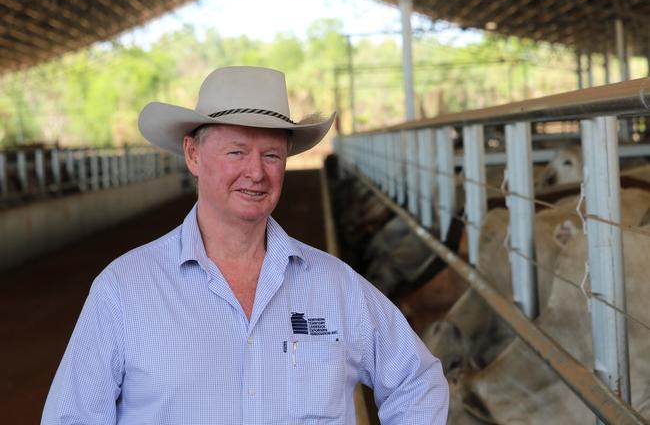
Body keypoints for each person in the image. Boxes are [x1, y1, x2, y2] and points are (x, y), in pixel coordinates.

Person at [42, 66, 449, 424]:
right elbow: (72, 416)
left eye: (271, 155)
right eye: (236, 152)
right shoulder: (124, 290)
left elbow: (418, 380)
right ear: (193, 154)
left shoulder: (336, 285)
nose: (255, 172)